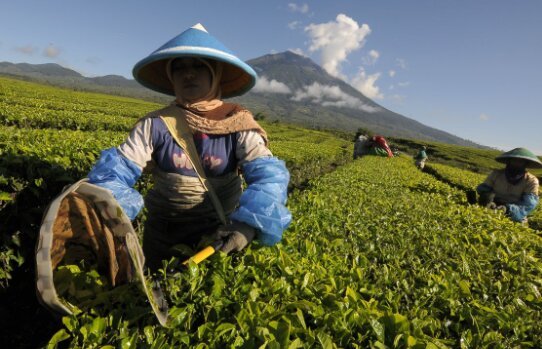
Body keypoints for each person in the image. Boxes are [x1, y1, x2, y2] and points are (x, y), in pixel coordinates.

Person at [86, 24, 292, 270]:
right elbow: (115, 172)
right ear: (171, 76)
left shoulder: (238, 124)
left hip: (217, 239)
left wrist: (248, 224)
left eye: (198, 66)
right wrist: (112, 210)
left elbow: (269, 179)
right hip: (162, 237)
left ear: (215, 73)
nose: (189, 74)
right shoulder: (156, 124)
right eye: (180, 67)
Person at [476, 147, 541, 223]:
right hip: (492, 205)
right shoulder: (497, 174)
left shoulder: (531, 181)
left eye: (520, 162)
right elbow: (484, 189)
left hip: (515, 214)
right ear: (508, 161)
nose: (516, 164)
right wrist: (488, 200)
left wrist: (507, 209)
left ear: (525, 164)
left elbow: (527, 205)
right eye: (514, 160)